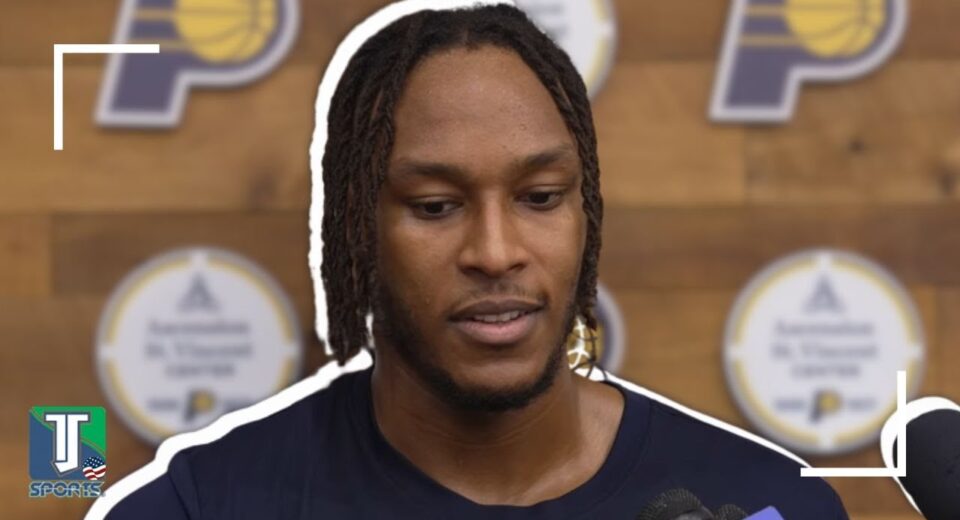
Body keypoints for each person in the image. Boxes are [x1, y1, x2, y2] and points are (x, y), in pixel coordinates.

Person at [102, 4, 848, 518]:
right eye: (435, 206)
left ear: (586, 213)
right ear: (359, 230)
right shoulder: (206, 507)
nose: (496, 253)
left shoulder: (770, 503)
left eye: (541, 197)